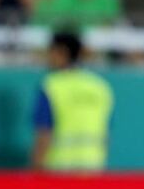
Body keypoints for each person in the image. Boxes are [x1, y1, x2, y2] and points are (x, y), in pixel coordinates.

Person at [31, 31, 113, 172]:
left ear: (62, 52)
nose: (48, 57)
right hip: (93, 168)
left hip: (58, 170)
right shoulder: (100, 87)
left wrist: (37, 170)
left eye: (51, 52)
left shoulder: (51, 86)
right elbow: (106, 133)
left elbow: (44, 133)